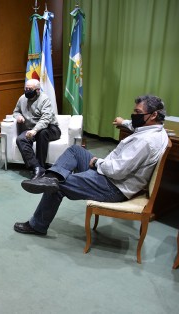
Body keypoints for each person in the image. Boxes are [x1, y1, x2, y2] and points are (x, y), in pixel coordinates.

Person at [14, 95, 168, 236]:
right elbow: (135, 127)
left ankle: (37, 225)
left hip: (112, 185)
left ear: (153, 115)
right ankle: (51, 176)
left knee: (56, 186)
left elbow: (117, 171)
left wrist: (97, 162)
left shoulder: (145, 141)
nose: (134, 115)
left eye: (138, 112)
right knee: (75, 151)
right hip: (110, 176)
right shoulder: (156, 130)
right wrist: (123, 123)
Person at [12, 79, 61, 180]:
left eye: (30, 89)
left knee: (42, 133)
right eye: (26, 88)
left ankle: (41, 166)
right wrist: (18, 116)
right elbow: (16, 111)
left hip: (50, 128)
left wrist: (35, 130)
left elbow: (46, 118)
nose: (27, 91)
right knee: (21, 139)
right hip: (31, 129)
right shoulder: (22, 98)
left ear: (37, 90)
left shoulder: (44, 99)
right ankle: (37, 167)